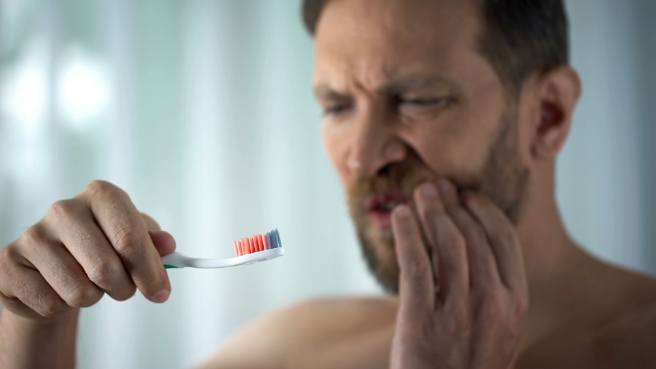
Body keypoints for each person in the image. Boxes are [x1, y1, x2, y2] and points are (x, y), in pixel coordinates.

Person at [1, 0, 655, 368]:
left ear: (547, 116)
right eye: (337, 106)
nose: (363, 154)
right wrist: (33, 329)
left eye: (419, 98)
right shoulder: (295, 348)